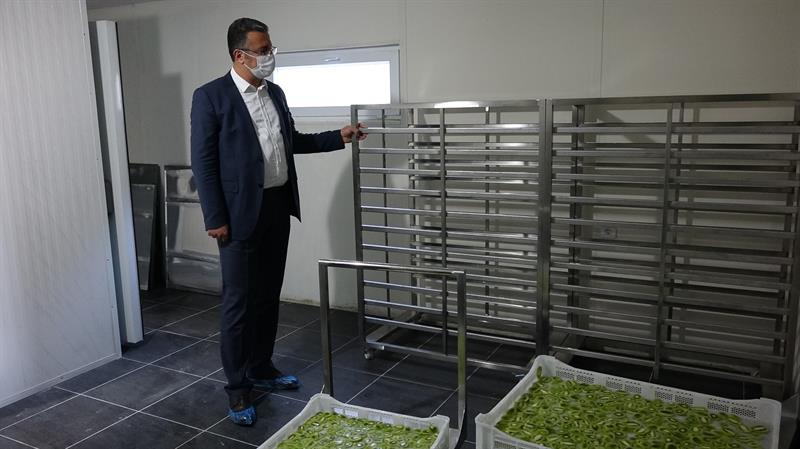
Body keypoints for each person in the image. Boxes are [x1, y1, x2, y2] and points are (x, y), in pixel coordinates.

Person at [190, 17, 365, 426]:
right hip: (236, 216)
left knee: (268, 295)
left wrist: (338, 136)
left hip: (276, 206)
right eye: (264, 50)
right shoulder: (211, 97)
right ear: (240, 55)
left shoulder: (275, 93)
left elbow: (291, 142)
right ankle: (238, 389)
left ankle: (261, 367)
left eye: (270, 48)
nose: (271, 55)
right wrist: (215, 216)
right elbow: (204, 161)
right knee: (239, 304)